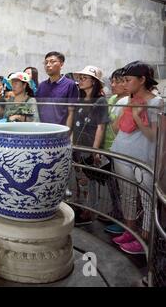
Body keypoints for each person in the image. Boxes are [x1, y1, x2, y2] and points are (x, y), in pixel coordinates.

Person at [110, 61, 164, 255]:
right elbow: (115, 129)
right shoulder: (124, 101)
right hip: (122, 152)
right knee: (128, 196)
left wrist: (137, 116)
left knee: (146, 198)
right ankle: (129, 231)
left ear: (142, 80)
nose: (125, 83)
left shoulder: (156, 103)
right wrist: (127, 111)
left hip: (143, 158)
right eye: (123, 80)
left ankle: (146, 240)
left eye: (128, 80)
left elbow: (153, 135)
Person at [71, 66, 110, 226]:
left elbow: (101, 127)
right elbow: (75, 125)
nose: (80, 81)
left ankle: (90, 212)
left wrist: (94, 150)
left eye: (84, 78)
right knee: (81, 180)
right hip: (78, 147)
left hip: (89, 147)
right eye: (79, 78)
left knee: (91, 181)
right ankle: (82, 208)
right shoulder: (80, 99)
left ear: (94, 81)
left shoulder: (100, 101)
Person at [102, 68, 129, 235]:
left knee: (123, 189)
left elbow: (117, 127)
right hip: (108, 147)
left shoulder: (127, 101)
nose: (113, 85)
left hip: (121, 150)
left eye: (118, 81)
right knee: (113, 186)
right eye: (112, 81)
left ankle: (124, 222)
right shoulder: (112, 98)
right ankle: (117, 215)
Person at [36, 51, 79, 130]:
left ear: (61, 64)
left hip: (60, 130)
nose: (48, 65)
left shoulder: (70, 85)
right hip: (42, 130)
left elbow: (71, 112)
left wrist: (66, 132)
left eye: (52, 62)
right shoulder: (42, 86)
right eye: (46, 62)